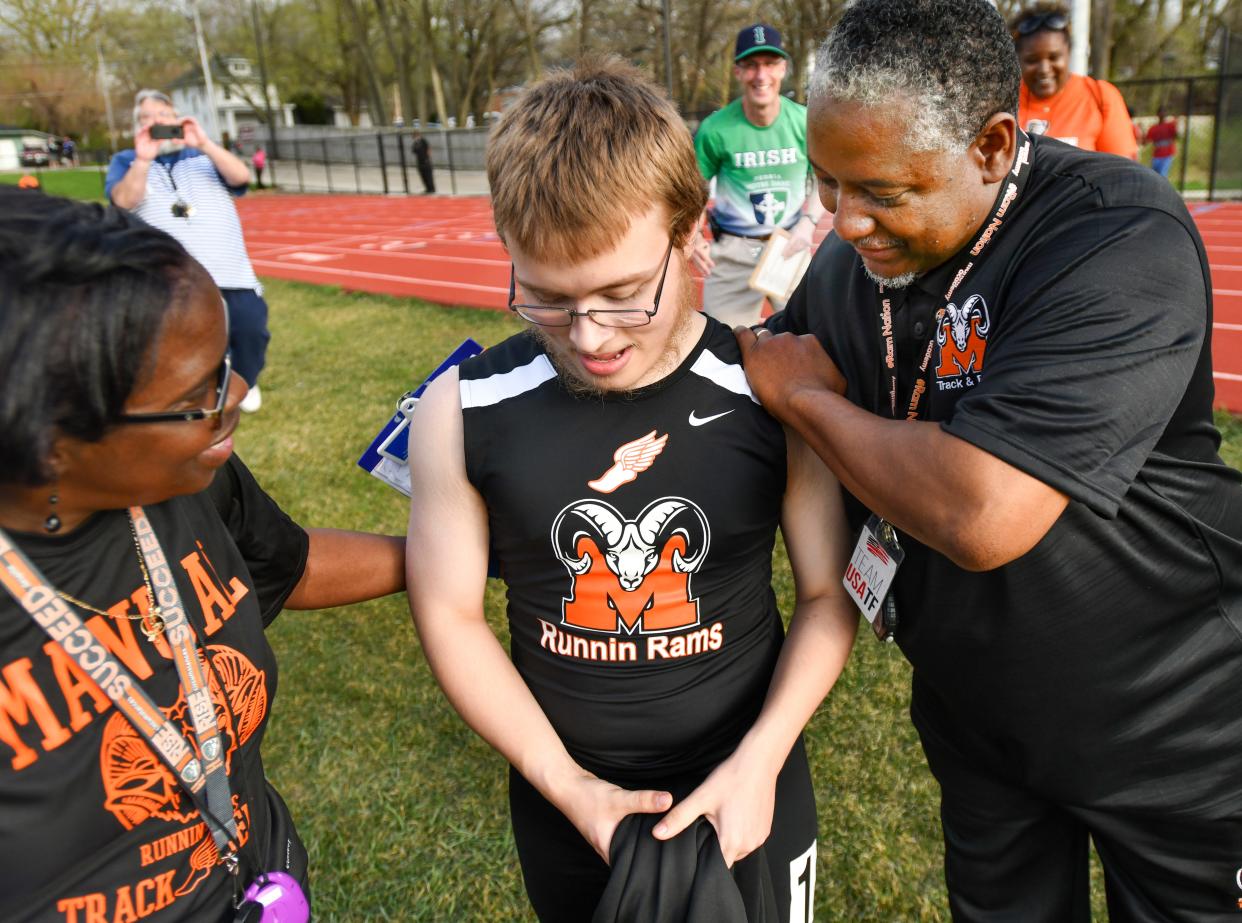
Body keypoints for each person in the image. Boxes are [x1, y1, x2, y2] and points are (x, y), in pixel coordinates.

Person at [742, 1, 1242, 920]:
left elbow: (983, 512)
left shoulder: (1112, 232)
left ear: (992, 146)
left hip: (1179, 723)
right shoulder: (857, 257)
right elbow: (755, 375)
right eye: (827, 183)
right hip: (980, 723)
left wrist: (810, 401)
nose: (846, 223)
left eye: (883, 191)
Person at [406, 58, 858, 922]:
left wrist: (761, 757)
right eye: (544, 298)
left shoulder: (774, 390)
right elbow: (452, 616)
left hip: (750, 772)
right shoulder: (461, 411)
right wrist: (569, 786)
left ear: (692, 232)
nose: (590, 337)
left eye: (622, 294)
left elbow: (825, 593)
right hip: (565, 798)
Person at [0, 187, 408, 921]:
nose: (236, 398)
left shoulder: (186, 481)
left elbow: (293, 563)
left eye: (227, 367)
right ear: (48, 442)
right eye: (200, 394)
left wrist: (454, 552)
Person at [106, 90, 269, 415]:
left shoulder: (203, 154)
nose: (157, 123)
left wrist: (204, 143)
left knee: (250, 331)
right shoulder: (127, 161)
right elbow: (123, 201)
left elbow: (241, 176)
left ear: (177, 119)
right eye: (147, 118)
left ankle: (244, 380)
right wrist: (143, 158)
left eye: (163, 116)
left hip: (230, 271)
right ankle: (199, 395)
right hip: (172, 280)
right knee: (182, 345)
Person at [691, 24, 826, 327]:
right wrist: (695, 235)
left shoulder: (804, 121)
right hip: (732, 253)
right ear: (738, 72)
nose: (761, 76)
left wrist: (809, 223)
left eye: (769, 64)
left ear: (783, 69)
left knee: (813, 337)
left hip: (788, 247)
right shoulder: (716, 129)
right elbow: (694, 190)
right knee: (722, 346)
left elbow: (825, 177)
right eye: (751, 66)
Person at [1012, 2, 1136, 158]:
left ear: (1068, 53)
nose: (1044, 69)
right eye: (1032, 60)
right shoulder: (1003, 100)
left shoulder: (1100, 96)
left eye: (1054, 57)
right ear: (1018, 60)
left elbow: (1123, 172)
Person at [1145, 106, 1178, 177]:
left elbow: (1176, 136)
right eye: (1160, 112)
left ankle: (1162, 187)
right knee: (1155, 174)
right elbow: (1147, 140)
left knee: (1162, 174)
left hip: (1167, 154)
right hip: (1157, 155)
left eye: (1164, 113)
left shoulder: (1170, 126)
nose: (1162, 114)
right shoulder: (1153, 128)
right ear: (1157, 114)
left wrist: (1177, 124)